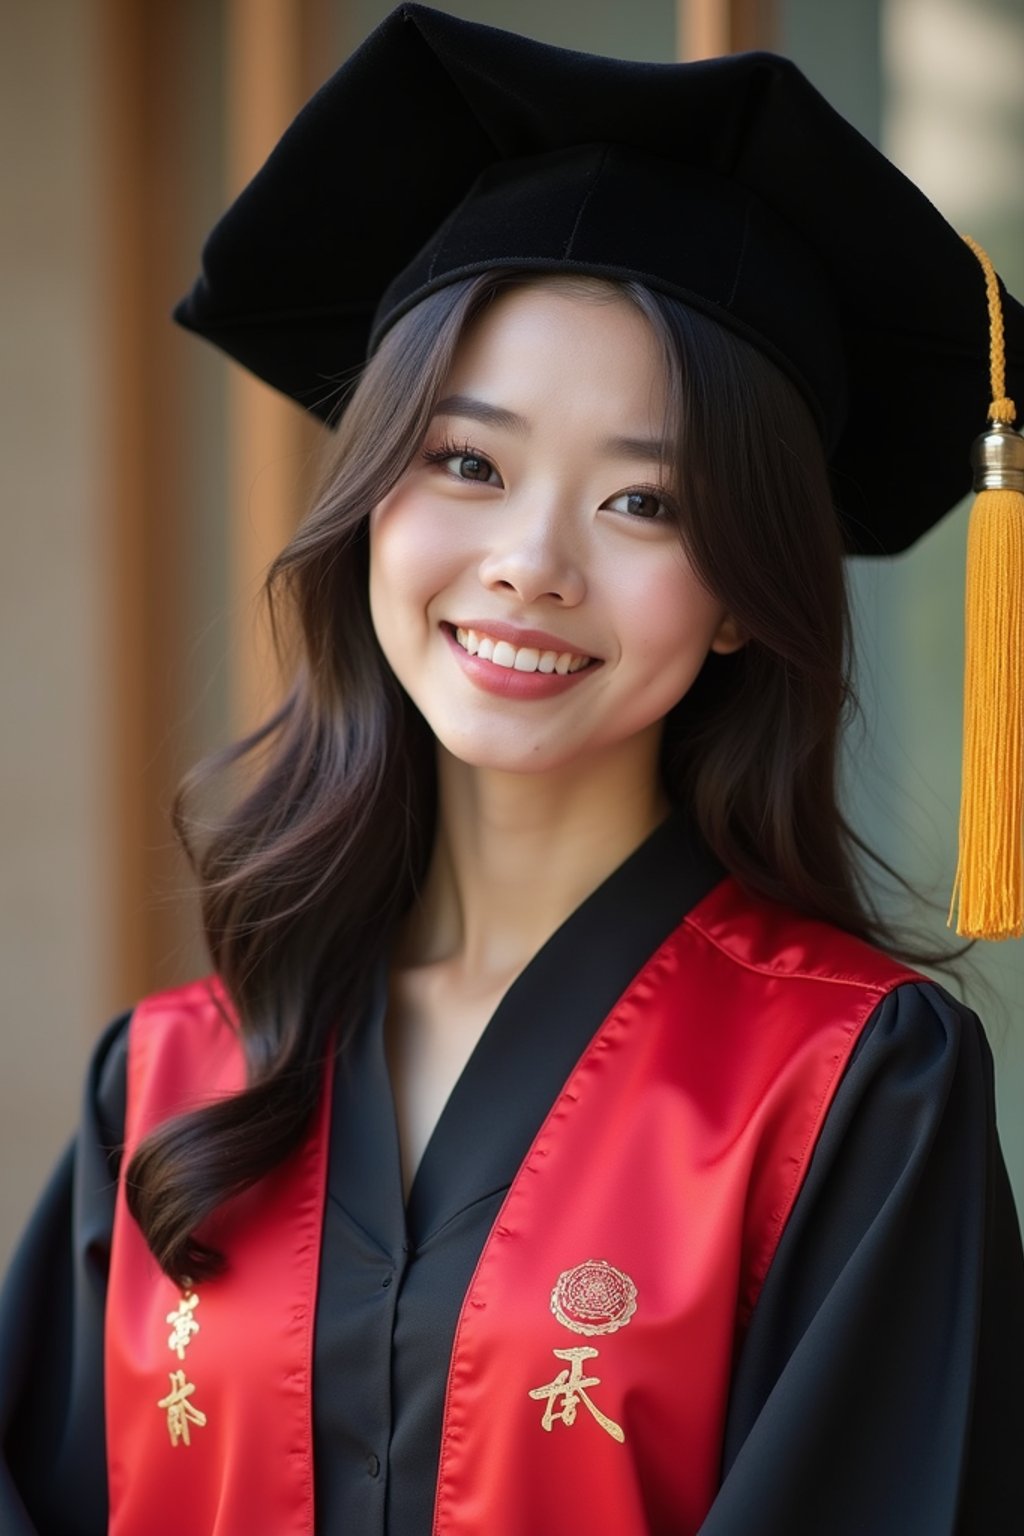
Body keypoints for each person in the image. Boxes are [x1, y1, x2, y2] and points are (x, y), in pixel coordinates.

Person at [2, 7, 1023, 1534]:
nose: (531, 564)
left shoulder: (844, 1091)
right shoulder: (169, 1085)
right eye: (467, 465)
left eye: (645, 501)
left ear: (747, 590)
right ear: (368, 508)